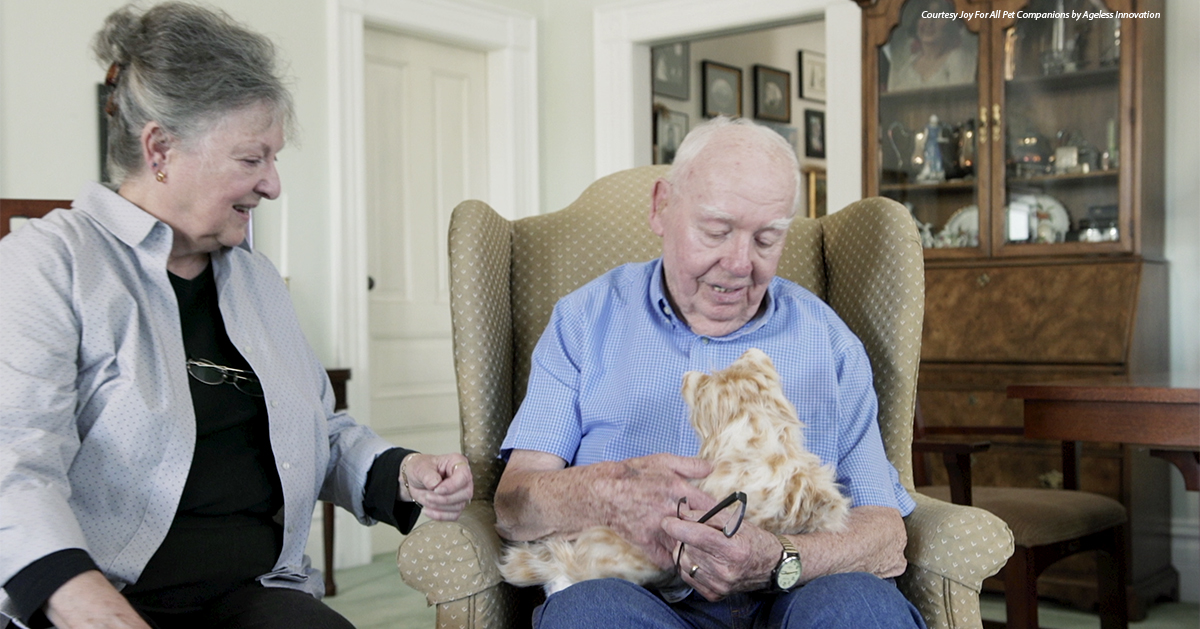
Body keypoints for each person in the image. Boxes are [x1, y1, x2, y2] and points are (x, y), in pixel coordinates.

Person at [0, 4, 471, 628]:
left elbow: (317, 434)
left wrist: (402, 474)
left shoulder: (255, 282)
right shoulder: (49, 262)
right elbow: (15, 470)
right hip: (103, 604)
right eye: (252, 160)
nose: (273, 185)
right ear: (160, 147)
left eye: (273, 159)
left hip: (251, 596)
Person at [493, 117, 925, 629]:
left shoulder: (828, 340)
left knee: (861, 608)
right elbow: (514, 506)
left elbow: (884, 531)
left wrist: (779, 558)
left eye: (766, 239)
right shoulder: (584, 321)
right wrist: (606, 494)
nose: (740, 263)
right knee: (590, 614)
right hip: (635, 597)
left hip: (793, 590)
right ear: (661, 207)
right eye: (716, 231)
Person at [887, 0, 977, 91]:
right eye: (924, 15)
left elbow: (961, 98)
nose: (929, 22)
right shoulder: (907, 68)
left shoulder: (957, 59)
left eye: (938, 15)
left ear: (950, 23)